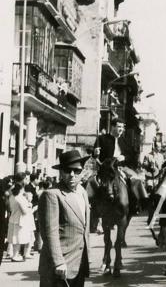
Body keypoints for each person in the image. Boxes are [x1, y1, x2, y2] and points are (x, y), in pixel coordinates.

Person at [38, 150, 90, 287]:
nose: (72, 175)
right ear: (61, 172)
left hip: (79, 265)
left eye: (76, 171)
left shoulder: (83, 192)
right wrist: (59, 262)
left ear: (82, 172)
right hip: (58, 268)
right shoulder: (52, 195)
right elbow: (50, 232)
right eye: (67, 170)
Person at [93, 117, 144, 214]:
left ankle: (135, 205)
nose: (122, 129)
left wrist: (124, 157)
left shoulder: (125, 141)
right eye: (119, 126)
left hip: (121, 168)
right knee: (92, 183)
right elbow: (95, 156)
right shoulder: (102, 139)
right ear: (112, 127)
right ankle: (94, 210)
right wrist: (95, 152)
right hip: (106, 168)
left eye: (123, 127)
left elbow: (132, 156)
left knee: (136, 180)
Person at [6, 181, 35, 262]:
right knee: (18, 238)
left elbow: (9, 208)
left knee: (14, 238)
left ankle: (14, 254)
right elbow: (24, 211)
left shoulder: (12, 197)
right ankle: (15, 255)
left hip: (13, 218)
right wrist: (30, 207)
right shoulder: (20, 198)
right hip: (20, 220)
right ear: (21, 189)